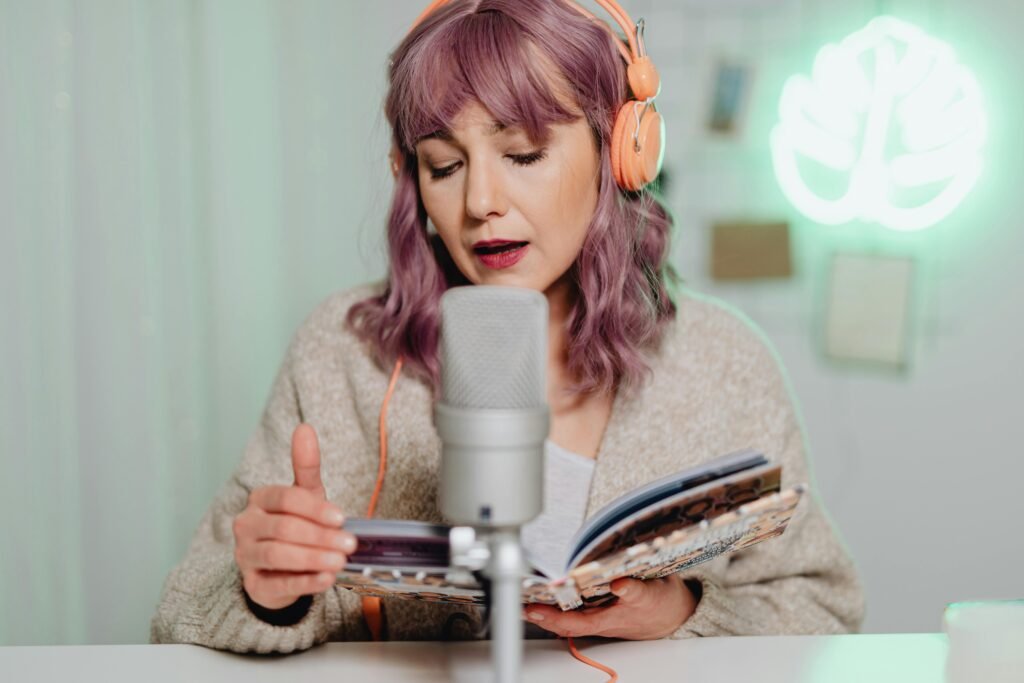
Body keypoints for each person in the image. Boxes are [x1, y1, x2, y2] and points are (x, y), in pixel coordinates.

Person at [151, 0, 864, 653]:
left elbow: (824, 609)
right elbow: (179, 616)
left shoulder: (722, 360)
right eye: (444, 165)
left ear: (618, 153)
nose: (480, 202)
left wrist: (680, 611)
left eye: (522, 154)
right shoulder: (341, 354)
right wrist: (268, 593)